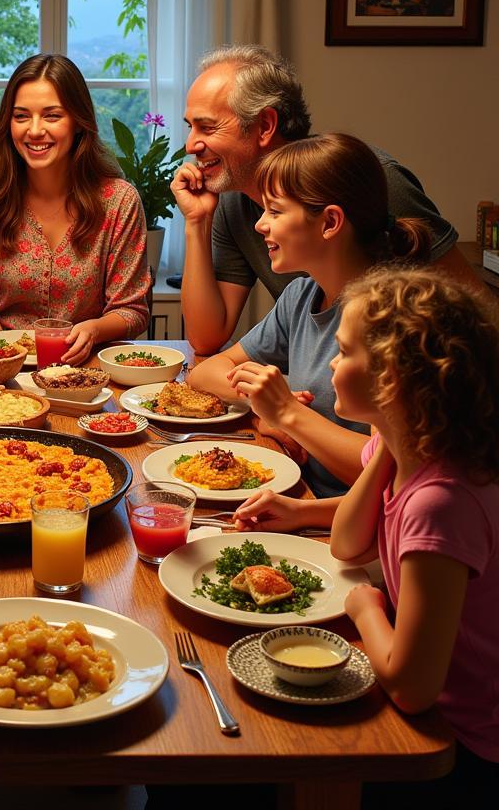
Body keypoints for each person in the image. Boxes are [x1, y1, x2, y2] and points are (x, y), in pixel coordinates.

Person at [172, 43, 475, 355]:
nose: (191, 145)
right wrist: (197, 222)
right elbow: (206, 338)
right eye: (190, 127)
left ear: (264, 126)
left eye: (206, 127)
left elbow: (475, 317)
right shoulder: (234, 200)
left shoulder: (367, 180)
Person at [329, 267, 499, 803]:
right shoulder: (408, 449)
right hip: (441, 717)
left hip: (464, 747)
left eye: (343, 351)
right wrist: (385, 442)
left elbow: (411, 688)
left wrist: (365, 609)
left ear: (390, 379)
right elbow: (347, 543)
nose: (332, 364)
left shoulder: (440, 500)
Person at [188, 134, 430, 498]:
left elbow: (393, 474)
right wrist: (264, 411)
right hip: (303, 499)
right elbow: (205, 372)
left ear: (330, 222)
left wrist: (288, 413)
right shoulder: (301, 297)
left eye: (276, 211)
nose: (260, 225)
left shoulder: (392, 318)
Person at [0, 53, 149, 364]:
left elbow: (132, 311)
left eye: (52, 116)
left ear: (78, 122)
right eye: (21, 116)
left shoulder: (119, 200)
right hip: (1, 368)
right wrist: (0, 345)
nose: (34, 130)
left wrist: (95, 330)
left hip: (87, 368)